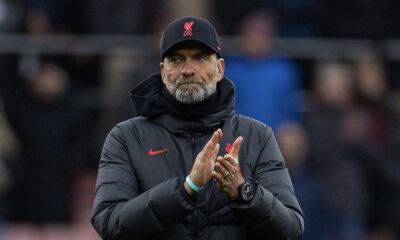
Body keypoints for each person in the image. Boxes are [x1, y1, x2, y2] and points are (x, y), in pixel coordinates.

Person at [91, 16, 304, 239]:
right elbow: (109, 223)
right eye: (176, 60)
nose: (188, 70)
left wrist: (243, 192)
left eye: (200, 58)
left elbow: (291, 230)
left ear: (220, 68)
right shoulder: (126, 138)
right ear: (163, 72)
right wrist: (186, 188)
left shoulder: (257, 136)